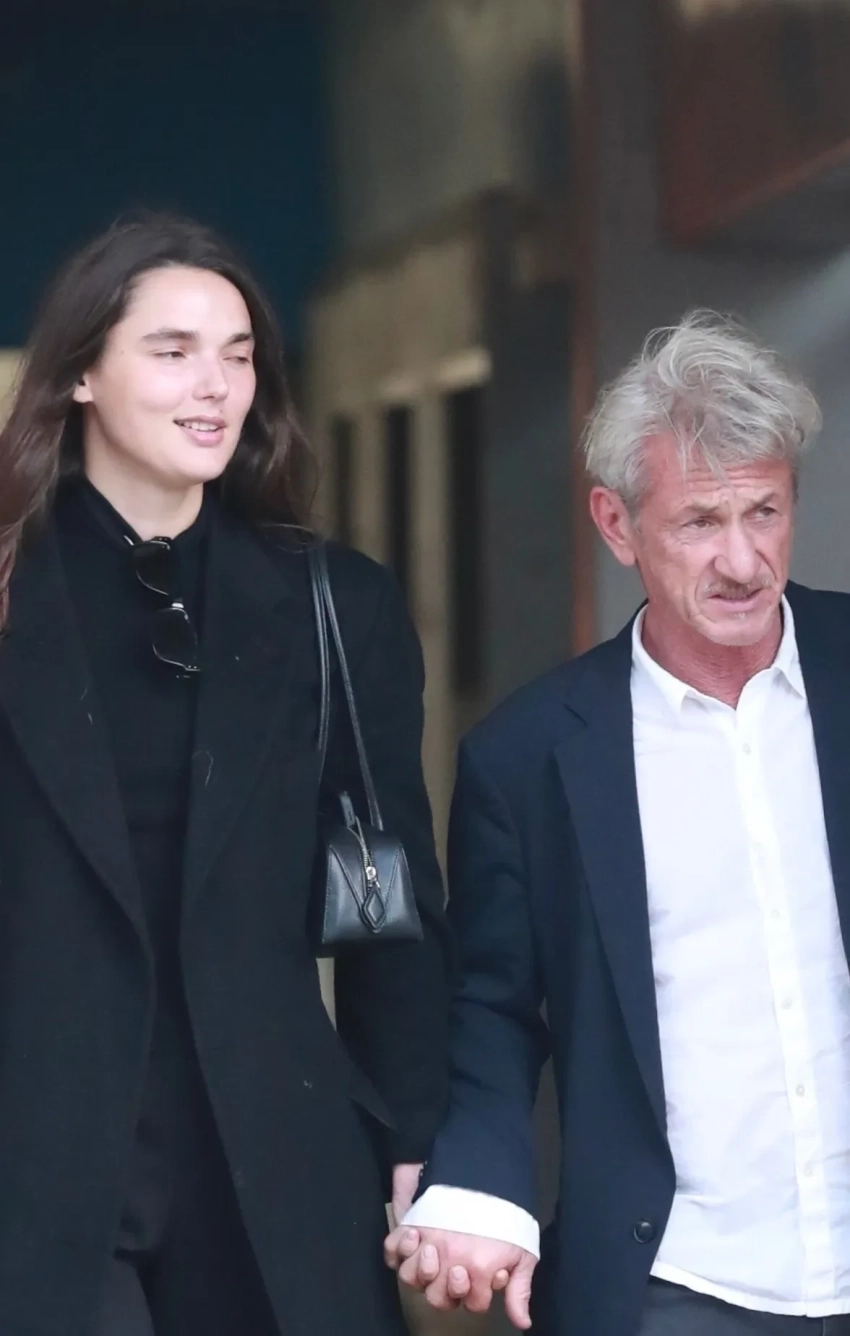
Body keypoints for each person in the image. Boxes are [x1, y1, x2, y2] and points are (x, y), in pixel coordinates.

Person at [0, 213, 451, 1336]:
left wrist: (417, 1134)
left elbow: (388, 898)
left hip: (275, 1158)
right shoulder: (11, 594)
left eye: (238, 355)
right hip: (36, 1158)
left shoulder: (331, 604)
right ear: (82, 375)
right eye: (174, 351)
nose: (216, 386)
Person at [386, 312, 850, 1336]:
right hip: (677, 1284)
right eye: (700, 522)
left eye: (764, 512)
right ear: (615, 523)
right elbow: (494, 1005)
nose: (743, 560)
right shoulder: (527, 756)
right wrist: (477, 1182)